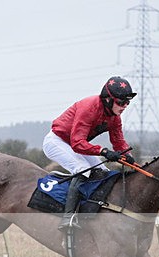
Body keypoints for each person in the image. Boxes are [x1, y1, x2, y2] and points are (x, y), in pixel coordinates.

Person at [43, 76, 137, 230]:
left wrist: (129, 157)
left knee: (103, 172)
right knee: (83, 170)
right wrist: (104, 151)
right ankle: (68, 218)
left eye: (127, 102)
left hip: (74, 145)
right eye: (121, 102)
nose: (125, 106)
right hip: (57, 142)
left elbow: (119, 142)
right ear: (108, 99)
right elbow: (77, 143)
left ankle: (92, 211)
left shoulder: (115, 118)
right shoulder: (89, 108)